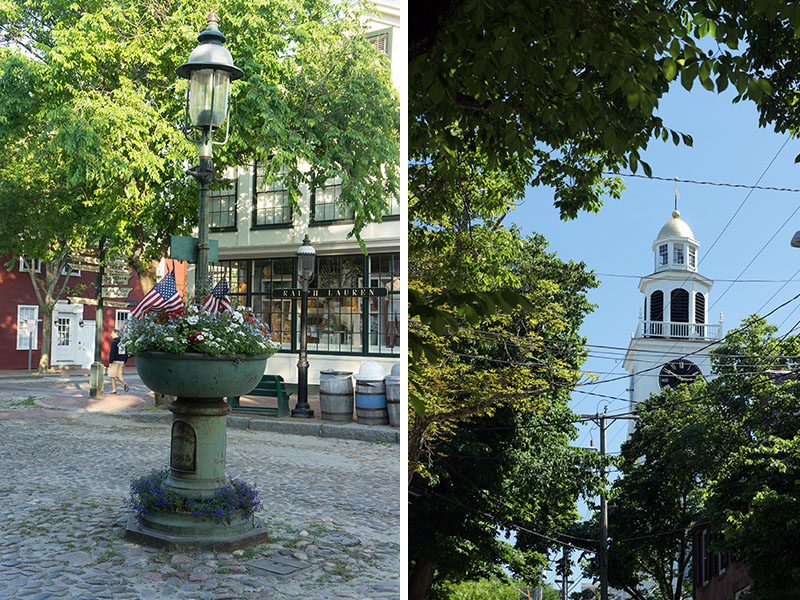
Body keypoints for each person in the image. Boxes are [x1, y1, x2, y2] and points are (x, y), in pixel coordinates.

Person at [108, 329, 129, 394]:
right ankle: (125, 383)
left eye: (112, 333)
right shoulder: (122, 342)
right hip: (121, 361)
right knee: (119, 375)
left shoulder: (114, 342)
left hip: (115, 361)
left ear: (114, 333)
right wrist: (125, 361)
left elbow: (112, 352)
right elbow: (126, 352)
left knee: (112, 376)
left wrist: (110, 362)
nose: (111, 335)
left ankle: (114, 390)